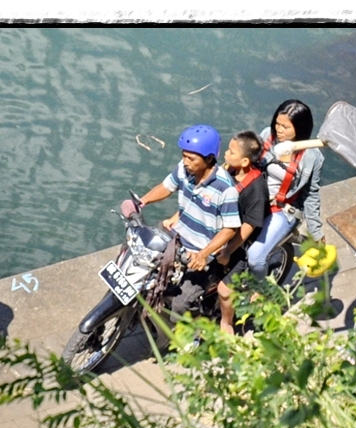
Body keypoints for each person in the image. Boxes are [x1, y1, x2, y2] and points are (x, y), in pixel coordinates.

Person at [122, 124, 241, 323]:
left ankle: (195, 331)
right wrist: (141, 202)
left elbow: (230, 229)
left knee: (181, 303)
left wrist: (203, 254)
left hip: (202, 253)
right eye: (184, 156)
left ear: (209, 159)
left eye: (191, 158)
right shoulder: (183, 170)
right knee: (137, 254)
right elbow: (166, 187)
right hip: (177, 238)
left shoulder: (225, 188)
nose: (185, 162)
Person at [247, 99, 326, 280]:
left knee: (255, 258)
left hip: (282, 209)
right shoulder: (267, 135)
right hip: (255, 198)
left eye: (286, 127)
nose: (279, 130)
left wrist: (316, 232)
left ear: (300, 128)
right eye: (277, 124)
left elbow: (310, 194)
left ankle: (261, 289)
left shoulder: (312, 157)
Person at [215, 131, 269, 335]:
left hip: (240, 243)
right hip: (221, 229)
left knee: (224, 290)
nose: (226, 154)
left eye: (231, 152)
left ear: (245, 161)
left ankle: (227, 322)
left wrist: (228, 250)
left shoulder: (256, 189)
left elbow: (248, 226)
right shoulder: (228, 170)